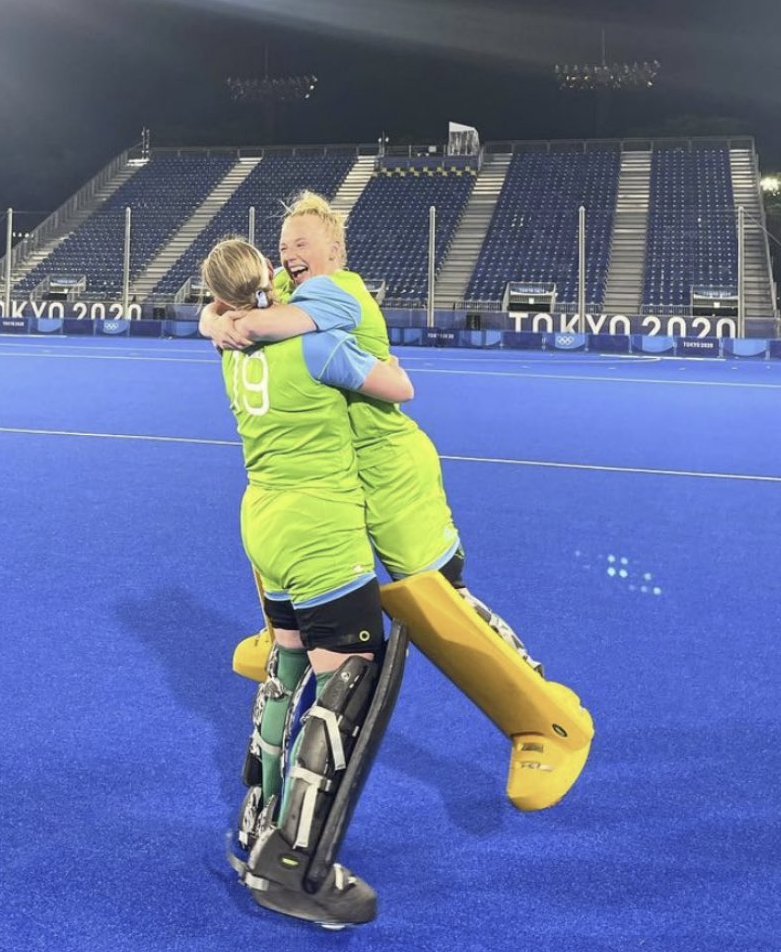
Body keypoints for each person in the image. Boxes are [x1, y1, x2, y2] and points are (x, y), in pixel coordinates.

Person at [201, 191, 594, 813]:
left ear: (334, 248)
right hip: (340, 477)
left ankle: (543, 719)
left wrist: (227, 324)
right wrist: (212, 315)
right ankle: (286, 634)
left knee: (437, 605)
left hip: (389, 472)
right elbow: (229, 294)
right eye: (282, 246)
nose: (288, 254)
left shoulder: (340, 291)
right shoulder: (288, 284)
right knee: (301, 536)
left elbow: (257, 320)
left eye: (302, 243)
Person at [201, 236, 412, 929]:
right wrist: (382, 355)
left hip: (263, 521)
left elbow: (218, 316)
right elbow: (398, 386)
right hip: (320, 528)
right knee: (347, 676)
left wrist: (225, 314)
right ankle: (293, 863)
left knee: (286, 664)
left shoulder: (229, 344)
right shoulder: (315, 347)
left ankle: (255, 819)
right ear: (267, 278)